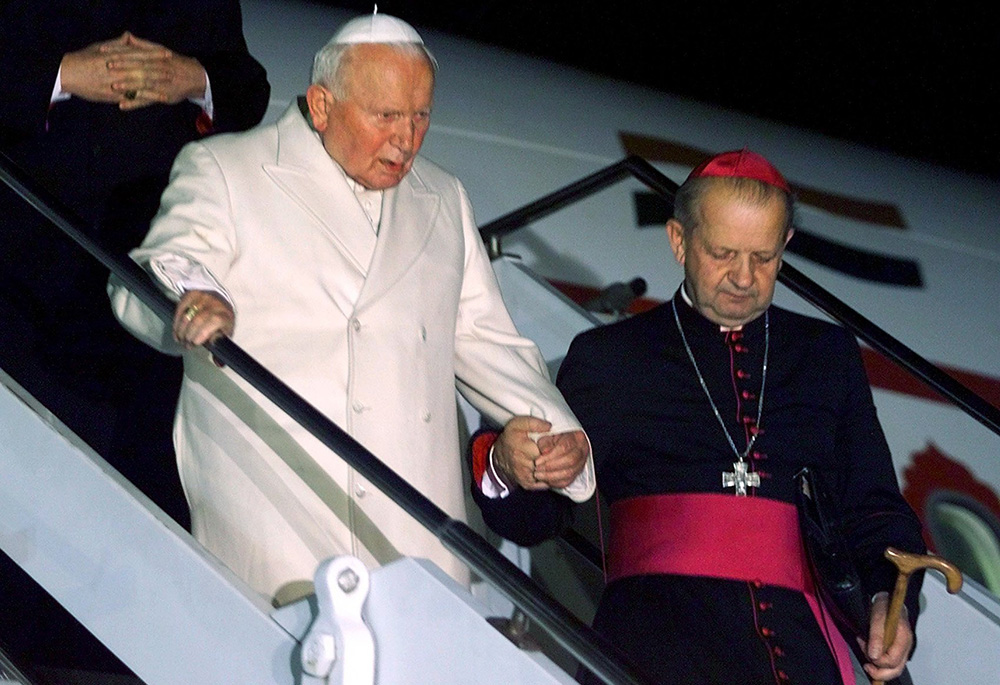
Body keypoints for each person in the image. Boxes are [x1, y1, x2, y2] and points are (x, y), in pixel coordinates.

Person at [109, 12, 594, 607]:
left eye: (421, 116)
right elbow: (160, 267)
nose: (407, 139)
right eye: (386, 115)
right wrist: (194, 300)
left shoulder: (443, 196)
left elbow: (486, 340)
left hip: (415, 536)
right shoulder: (229, 170)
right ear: (321, 105)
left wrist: (558, 436)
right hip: (280, 516)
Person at [474, 150, 927, 684]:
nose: (743, 276)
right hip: (653, 647)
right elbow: (534, 520)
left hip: (804, 650)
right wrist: (508, 464)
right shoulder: (610, 358)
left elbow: (872, 507)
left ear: (784, 247)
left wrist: (889, 603)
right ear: (678, 241)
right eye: (723, 253)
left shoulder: (824, 355)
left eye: (763, 257)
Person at [0, 0, 270, 676]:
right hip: (30, 272)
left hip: (156, 285)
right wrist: (64, 75)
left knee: (145, 486)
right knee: (39, 485)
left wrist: (194, 79)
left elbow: (247, 89)